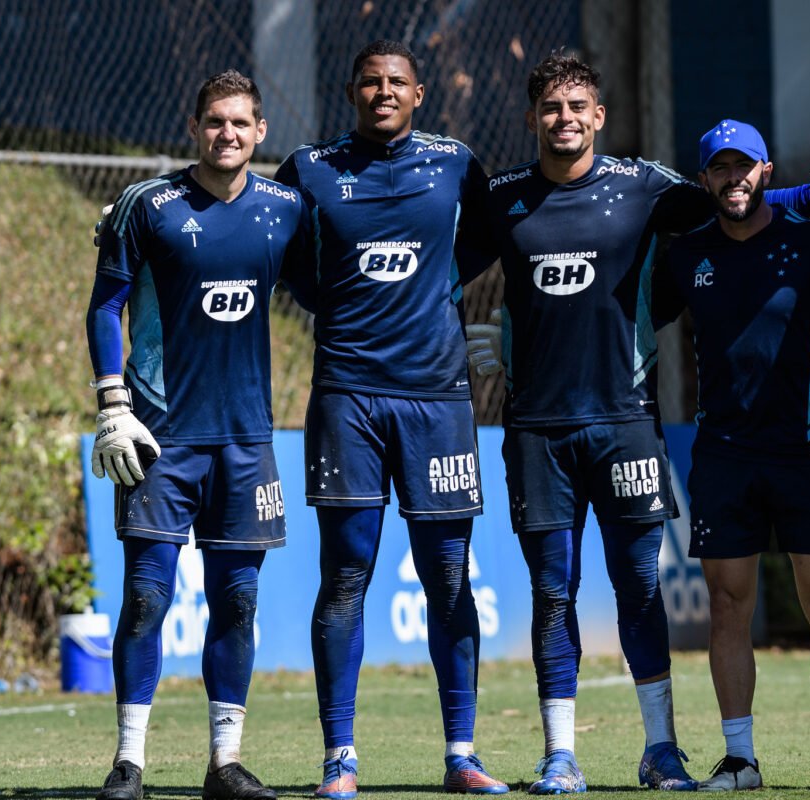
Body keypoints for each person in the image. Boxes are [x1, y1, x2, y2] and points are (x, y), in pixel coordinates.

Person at [460, 52, 810, 794]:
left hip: (627, 423)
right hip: (536, 428)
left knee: (638, 587)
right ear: (532, 117)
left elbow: (735, 199)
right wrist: (459, 337)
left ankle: (661, 750)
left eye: (578, 106)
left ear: (599, 115)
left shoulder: (643, 185)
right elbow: (430, 265)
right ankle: (559, 755)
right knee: (553, 592)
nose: (565, 119)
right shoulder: (501, 197)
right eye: (551, 108)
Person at [272, 40, 506, 798]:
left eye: (396, 82)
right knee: (345, 574)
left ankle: (462, 754)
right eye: (370, 81)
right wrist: (337, 299)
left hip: (438, 399)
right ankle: (339, 758)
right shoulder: (309, 169)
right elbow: (283, 255)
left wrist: (438, 285)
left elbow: (486, 238)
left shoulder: (455, 163)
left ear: (419, 93)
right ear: (351, 91)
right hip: (348, 396)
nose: (383, 91)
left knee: (448, 575)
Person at [86, 69, 306, 800]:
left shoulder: (285, 209)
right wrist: (112, 402)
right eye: (215, 121)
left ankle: (225, 764)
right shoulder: (147, 205)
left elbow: (335, 282)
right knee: (147, 596)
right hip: (159, 438)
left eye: (241, 123)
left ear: (261, 131)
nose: (227, 134)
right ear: (194, 127)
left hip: (247, 441)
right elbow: (105, 305)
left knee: (237, 601)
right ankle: (129, 764)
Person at [652, 119, 810, 792]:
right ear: (704, 179)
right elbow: (633, 322)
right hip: (724, 453)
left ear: (766, 172)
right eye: (720, 168)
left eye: (744, 166)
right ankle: (740, 759)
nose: (734, 179)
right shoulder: (686, 255)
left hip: (807, 448)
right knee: (728, 605)